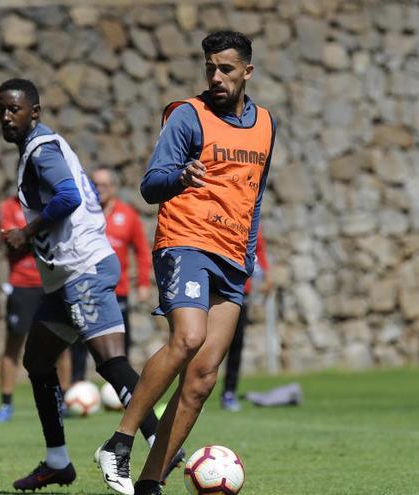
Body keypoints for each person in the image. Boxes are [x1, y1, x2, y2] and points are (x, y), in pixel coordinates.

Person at [97, 31, 277, 495]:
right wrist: (180, 176)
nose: (215, 77)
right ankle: (118, 442)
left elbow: (254, 198)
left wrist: (249, 258)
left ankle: (151, 484)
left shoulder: (266, 125)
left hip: (233, 258)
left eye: (226, 69)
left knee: (201, 380)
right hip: (186, 241)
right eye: (209, 69)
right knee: (188, 338)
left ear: (248, 72)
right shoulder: (186, 117)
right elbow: (150, 185)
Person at [0, 78, 180, 492]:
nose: (7, 117)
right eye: (2, 109)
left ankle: (163, 448)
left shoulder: (42, 151)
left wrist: (27, 233)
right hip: (65, 279)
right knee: (38, 362)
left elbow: (67, 197)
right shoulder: (39, 148)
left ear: (35, 112)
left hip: (82, 272)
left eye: (15, 109)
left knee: (111, 361)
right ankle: (58, 461)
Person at [69, 167, 152, 383]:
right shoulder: (82, 214)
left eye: (104, 185)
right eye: (95, 184)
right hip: (84, 289)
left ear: (114, 188)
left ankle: (121, 390)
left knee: (119, 347)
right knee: (79, 343)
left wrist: (143, 284)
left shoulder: (128, 215)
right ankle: (76, 387)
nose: (99, 189)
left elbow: (142, 251)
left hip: (117, 292)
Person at [0, 196, 71, 423]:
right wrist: (38, 232)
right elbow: (10, 239)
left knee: (61, 343)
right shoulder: (9, 206)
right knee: (13, 344)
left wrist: (26, 233)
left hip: (51, 283)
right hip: (21, 285)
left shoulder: (50, 204)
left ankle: (63, 400)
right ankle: (6, 403)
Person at [220, 231, 273, 412]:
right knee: (209, 343)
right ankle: (191, 393)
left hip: (242, 291)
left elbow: (259, 252)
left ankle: (229, 392)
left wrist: (267, 277)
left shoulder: (253, 225)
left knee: (236, 344)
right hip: (219, 289)